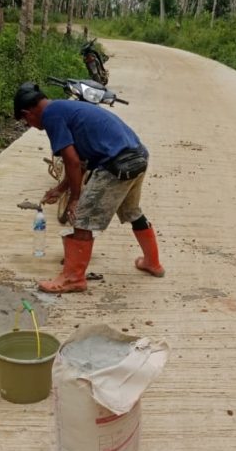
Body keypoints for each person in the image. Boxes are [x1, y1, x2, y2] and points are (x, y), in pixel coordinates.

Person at [13, 82, 165, 293]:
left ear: (27, 113)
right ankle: (152, 262)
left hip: (116, 164)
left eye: (26, 121)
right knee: (132, 211)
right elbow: (81, 162)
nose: (30, 125)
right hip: (137, 156)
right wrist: (60, 189)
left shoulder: (51, 116)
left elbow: (72, 162)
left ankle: (73, 278)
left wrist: (75, 198)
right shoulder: (64, 108)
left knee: (82, 220)